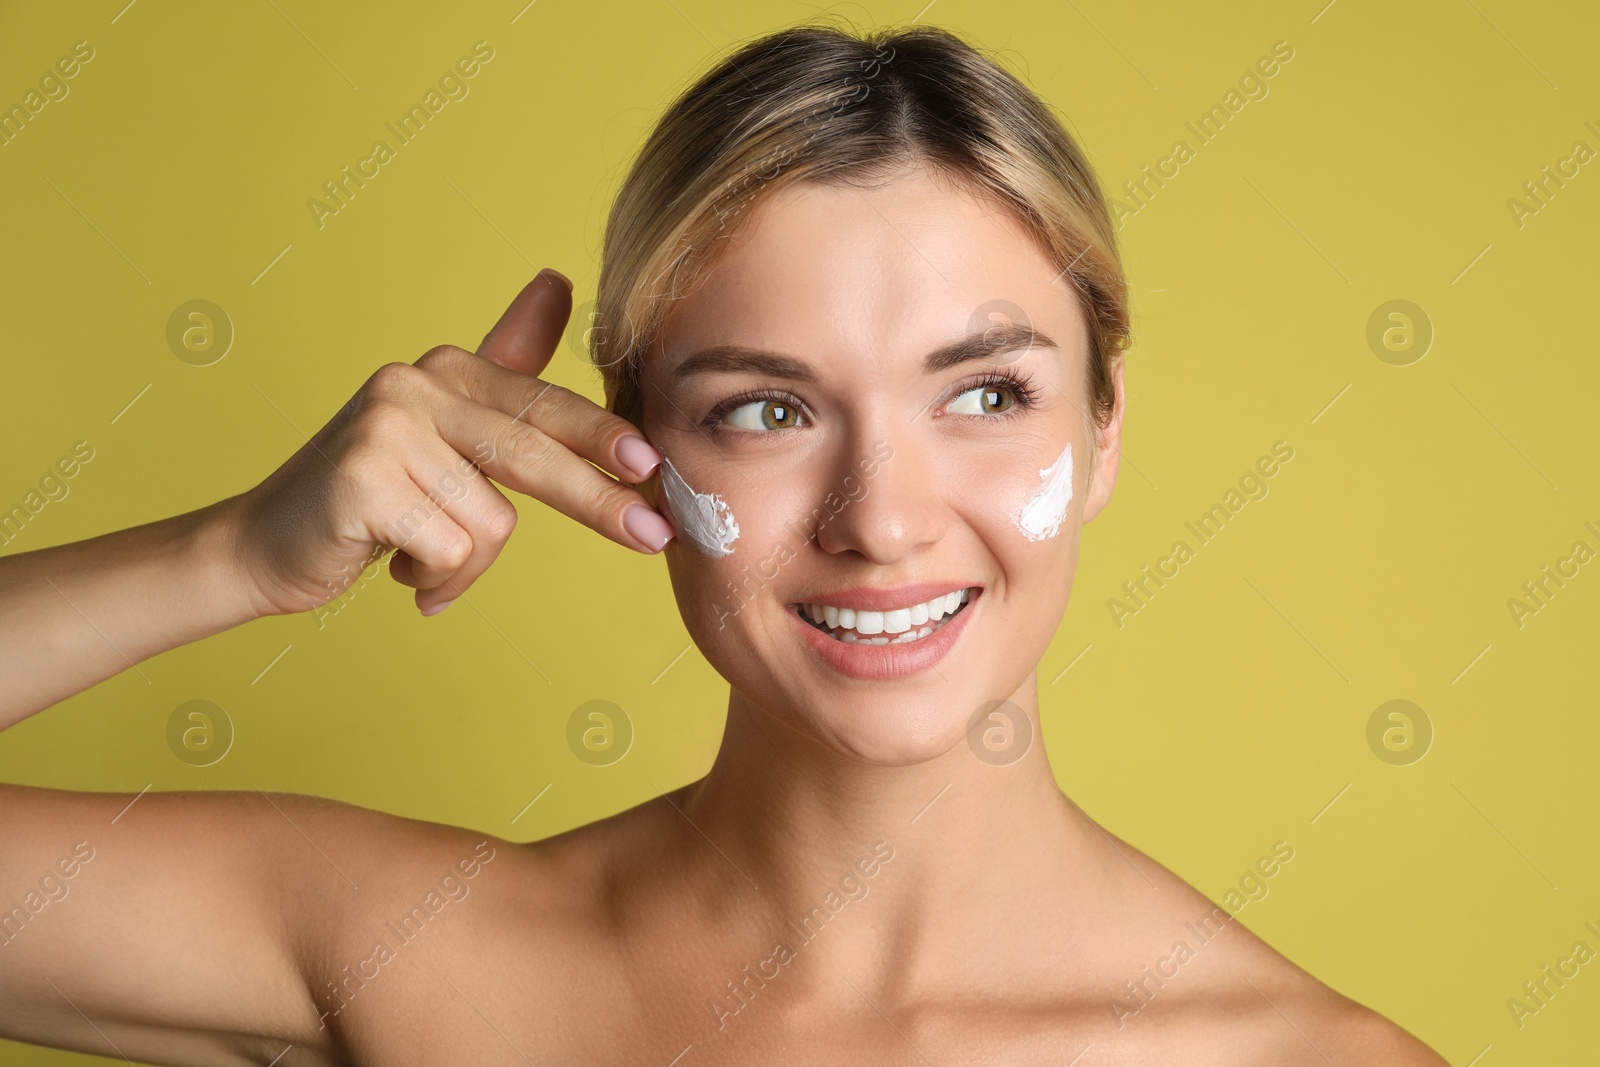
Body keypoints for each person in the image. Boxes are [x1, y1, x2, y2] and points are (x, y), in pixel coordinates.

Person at [0, 22, 1446, 1066]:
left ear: (1108, 424)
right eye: (766, 408)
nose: (880, 518)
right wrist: (230, 559)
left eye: (987, 395)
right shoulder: (414, 955)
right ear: (624, 440)